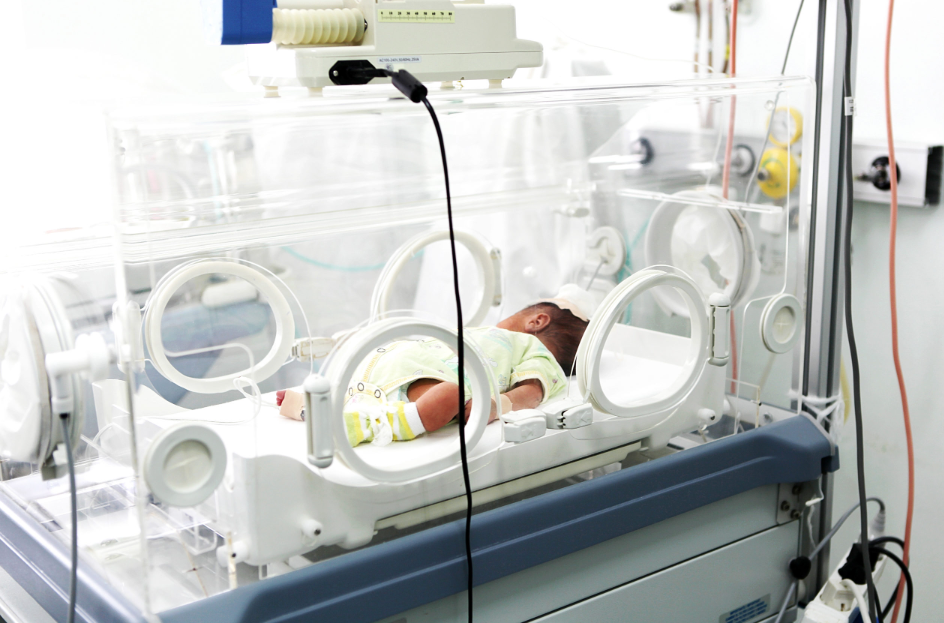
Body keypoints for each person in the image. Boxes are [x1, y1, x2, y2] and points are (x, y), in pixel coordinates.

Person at [277, 296, 590, 447]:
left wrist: (497, 405)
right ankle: (336, 406)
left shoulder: (530, 346)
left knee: (448, 397)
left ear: (537, 321)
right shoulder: (482, 333)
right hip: (399, 363)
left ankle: (352, 419)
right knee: (435, 392)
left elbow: (533, 390)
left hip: (418, 375)